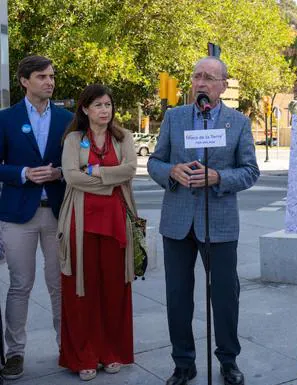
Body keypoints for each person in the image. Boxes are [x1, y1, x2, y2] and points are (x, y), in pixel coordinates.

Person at [148, 57, 259, 385]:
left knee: (225, 296)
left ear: (223, 86)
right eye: (197, 76)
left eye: (209, 78)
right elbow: (155, 161)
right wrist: (170, 171)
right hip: (177, 221)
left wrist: (218, 177)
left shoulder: (237, 123)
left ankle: (228, 361)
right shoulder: (174, 117)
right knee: (178, 296)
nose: (201, 82)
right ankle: (183, 363)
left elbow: (250, 171)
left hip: (220, 222)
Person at [56, 84, 137, 381]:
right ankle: (84, 355)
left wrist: (94, 172)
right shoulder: (74, 139)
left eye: (108, 105)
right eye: (99, 105)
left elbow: (129, 170)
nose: (105, 110)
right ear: (85, 109)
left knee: (114, 290)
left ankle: (111, 352)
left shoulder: (123, 137)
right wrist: (108, 180)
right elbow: (71, 177)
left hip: (116, 221)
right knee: (82, 291)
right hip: (80, 221)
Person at [0, 55, 72, 380]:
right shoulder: (7, 119)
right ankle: (15, 354)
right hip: (18, 216)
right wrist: (25, 173)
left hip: (57, 213)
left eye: (52, 76)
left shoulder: (67, 119)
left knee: (59, 286)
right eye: (42, 77)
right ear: (24, 81)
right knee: (20, 285)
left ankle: (67, 349)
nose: (50, 82)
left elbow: (81, 161)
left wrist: (62, 172)